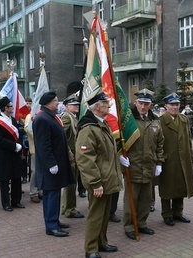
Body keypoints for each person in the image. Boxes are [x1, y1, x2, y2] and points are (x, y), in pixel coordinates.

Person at [75, 90, 122, 258]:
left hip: (107, 179)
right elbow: (85, 159)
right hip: (99, 181)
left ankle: (102, 242)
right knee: (96, 216)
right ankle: (91, 249)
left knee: (103, 215)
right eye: (105, 103)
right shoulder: (88, 128)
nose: (109, 105)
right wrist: (95, 183)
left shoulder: (102, 124)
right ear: (96, 107)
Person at [123, 88, 164, 240]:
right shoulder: (129, 121)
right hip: (132, 166)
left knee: (146, 198)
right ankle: (129, 225)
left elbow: (160, 144)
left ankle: (141, 223)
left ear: (151, 105)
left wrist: (159, 163)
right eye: (140, 103)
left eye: (146, 104)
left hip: (149, 166)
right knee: (131, 198)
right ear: (136, 103)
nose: (143, 106)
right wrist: (121, 157)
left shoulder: (155, 121)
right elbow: (120, 141)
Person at [33, 91, 75, 237]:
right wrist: (51, 164)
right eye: (56, 100)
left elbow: (60, 139)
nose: (58, 103)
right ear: (48, 103)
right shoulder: (42, 119)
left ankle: (54, 220)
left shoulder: (51, 117)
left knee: (55, 194)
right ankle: (51, 226)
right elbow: (44, 146)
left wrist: (68, 151)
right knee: (51, 195)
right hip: (50, 166)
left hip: (57, 163)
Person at [159, 93, 193, 226]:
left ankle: (178, 212)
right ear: (166, 106)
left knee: (181, 186)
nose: (174, 107)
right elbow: (158, 143)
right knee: (167, 188)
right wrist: (159, 160)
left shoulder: (184, 119)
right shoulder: (160, 120)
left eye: (176, 104)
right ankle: (167, 214)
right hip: (168, 160)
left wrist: (191, 157)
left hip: (183, 159)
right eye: (172, 104)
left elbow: (188, 140)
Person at [0, 95, 25, 211]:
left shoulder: (13, 119)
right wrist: (14, 145)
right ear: (5, 108)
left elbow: (18, 134)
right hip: (4, 154)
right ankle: (6, 203)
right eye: (10, 106)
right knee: (5, 180)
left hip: (15, 153)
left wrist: (18, 145)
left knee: (16, 178)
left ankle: (16, 201)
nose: (13, 108)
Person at [60, 93, 85, 219]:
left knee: (72, 183)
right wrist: (68, 152)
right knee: (70, 184)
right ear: (66, 107)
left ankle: (68, 208)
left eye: (77, 104)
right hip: (71, 156)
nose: (76, 106)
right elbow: (61, 138)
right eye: (73, 104)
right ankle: (69, 209)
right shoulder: (66, 118)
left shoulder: (73, 117)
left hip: (75, 155)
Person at [24, 106, 43, 204]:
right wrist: (40, 136)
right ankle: (33, 193)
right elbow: (28, 129)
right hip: (35, 148)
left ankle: (40, 190)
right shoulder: (30, 116)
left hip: (43, 149)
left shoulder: (42, 116)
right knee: (35, 171)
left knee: (42, 171)